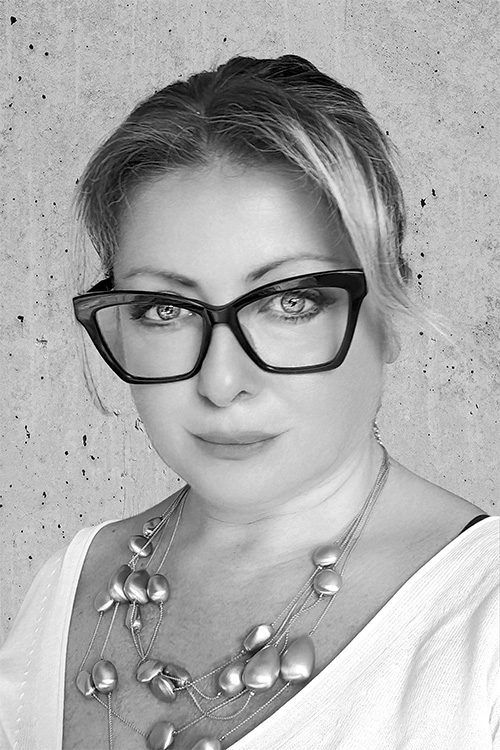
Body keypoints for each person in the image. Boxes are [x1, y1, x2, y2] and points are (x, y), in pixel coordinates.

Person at [0, 54, 497, 750]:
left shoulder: (481, 625)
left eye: (289, 303)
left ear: (387, 309)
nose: (221, 381)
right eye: (164, 309)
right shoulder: (67, 586)